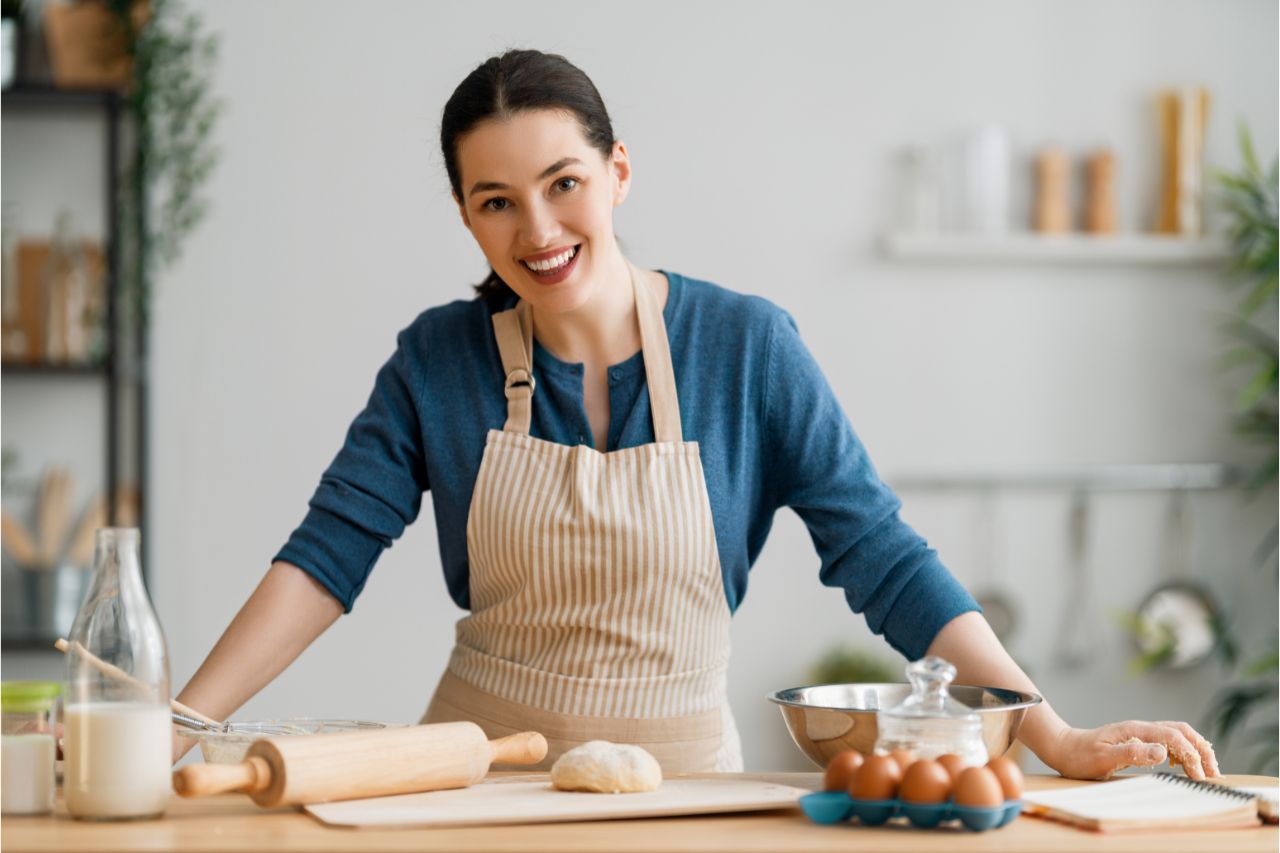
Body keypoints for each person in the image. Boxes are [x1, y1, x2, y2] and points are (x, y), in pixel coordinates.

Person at [175, 49, 1220, 779]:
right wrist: (176, 726)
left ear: (617, 171)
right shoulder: (435, 362)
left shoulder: (747, 348)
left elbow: (883, 557)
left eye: (562, 182)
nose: (536, 228)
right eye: (496, 200)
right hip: (475, 793)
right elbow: (324, 557)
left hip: (681, 796)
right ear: (466, 215)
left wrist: (1052, 734)